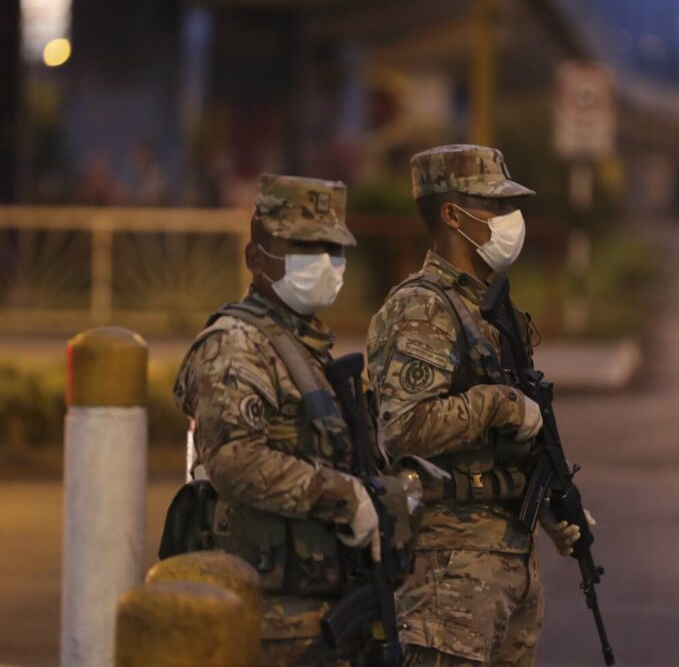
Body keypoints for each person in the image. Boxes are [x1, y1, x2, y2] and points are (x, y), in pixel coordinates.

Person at [366, 144, 589, 667]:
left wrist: (550, 505)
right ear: (452, 215)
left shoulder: (491, 307)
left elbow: (515, 440)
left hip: (506, 561)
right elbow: (402, 426)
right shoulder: (423, 306)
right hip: (449, 571)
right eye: (493, 206)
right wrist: (500, 404)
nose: (510, 220)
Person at [174, 174, 380, 666]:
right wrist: (343, 498)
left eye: (334, 247)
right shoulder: (236, 344)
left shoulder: (308, 349)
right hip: (270, 616)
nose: (325, 263)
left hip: (323, 607)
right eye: (304, 246)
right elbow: (233, 459)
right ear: (256, 257)